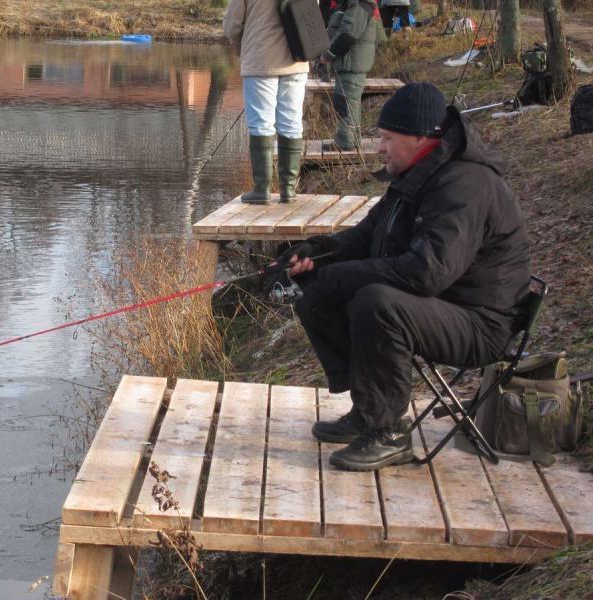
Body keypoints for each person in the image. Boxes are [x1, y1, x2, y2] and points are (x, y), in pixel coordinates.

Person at [279, 82, 531, 471]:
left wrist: (344, 276)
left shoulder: (465, 184)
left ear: (419, 137)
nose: (379, 147)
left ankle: (389, 433)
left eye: (387, 138)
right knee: (318, 294)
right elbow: (366, 235)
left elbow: (427, 272)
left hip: (480, 323)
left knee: (377, 303)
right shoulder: (419, 172)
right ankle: (369, 411)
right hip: (443, 306)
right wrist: (317, 252)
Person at [223, 0, 308, 204]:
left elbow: (232, 24)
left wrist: (242, 49)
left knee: (261, 124)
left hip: (260, 59)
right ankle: (288, 190)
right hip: (296, 60)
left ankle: (262, 190)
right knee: (291, 123)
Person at [321, 0, 378, 151]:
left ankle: (345, 141)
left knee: (345, 102)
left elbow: (348, 35)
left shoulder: (359, 5)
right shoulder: (351, 4)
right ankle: (353, 140)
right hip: (348, 63)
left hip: (352, 63)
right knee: (349, 102)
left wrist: (328, 55)